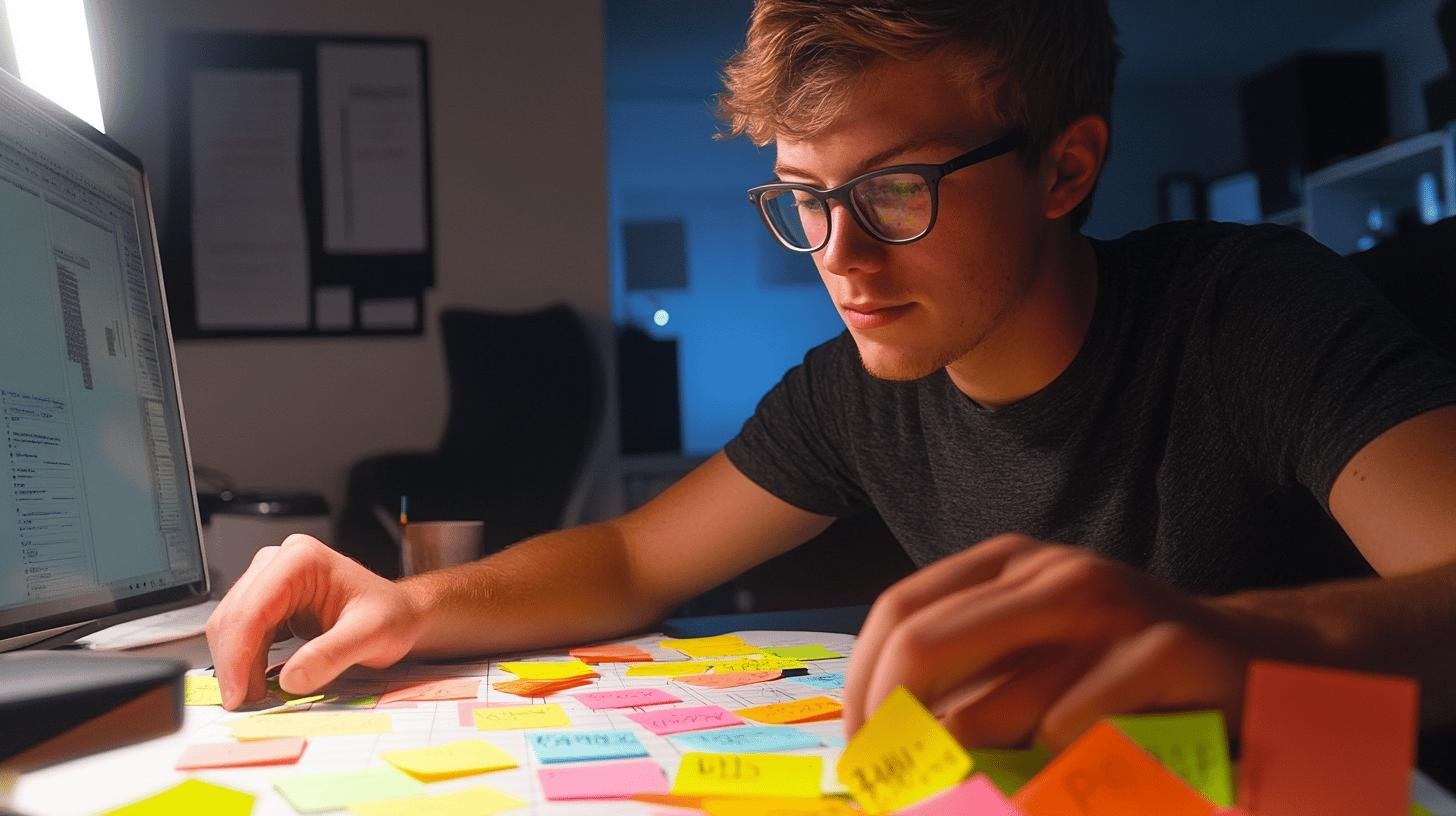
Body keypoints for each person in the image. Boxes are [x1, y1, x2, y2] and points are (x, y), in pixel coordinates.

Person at [208, 0, 1456, 751]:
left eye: (893, 189)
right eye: (805, 200)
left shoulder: (1249, 310)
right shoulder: (853, 394)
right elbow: (637, 558)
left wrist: (1213, 641)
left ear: (1066, 170)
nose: (838, 258)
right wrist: (409, 606)